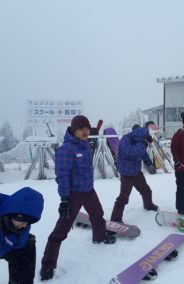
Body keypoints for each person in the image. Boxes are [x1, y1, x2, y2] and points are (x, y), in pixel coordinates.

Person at [40, 115, 115, 281]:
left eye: (87, 128)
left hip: (88, 190)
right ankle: (47, 265)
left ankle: (100, 237)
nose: (85, 131)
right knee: (61, 230)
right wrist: (65, 198)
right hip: (73, 194)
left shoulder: (86, 145)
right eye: (81, 129)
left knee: (98, 214)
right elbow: (62, 175)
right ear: (73, 131)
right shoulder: (66, 149)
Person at [110, 126, 158, 223]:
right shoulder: (125, 140)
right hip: (126, 173)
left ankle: (148, 205)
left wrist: (149, 163)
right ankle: (115, 219)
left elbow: (143, 153)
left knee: (146, 190)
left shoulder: (140, 141)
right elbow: (131, 152)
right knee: (123, 197)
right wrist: (144, 144)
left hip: (136, 171)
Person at [0, 187, 44, 284]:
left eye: (27, 222)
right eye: (23, 221)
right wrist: (4, 253)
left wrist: (15, 253)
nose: (25, 225)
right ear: (15, 214)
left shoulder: (24, 224)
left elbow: (21, 241)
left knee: (28, 244)